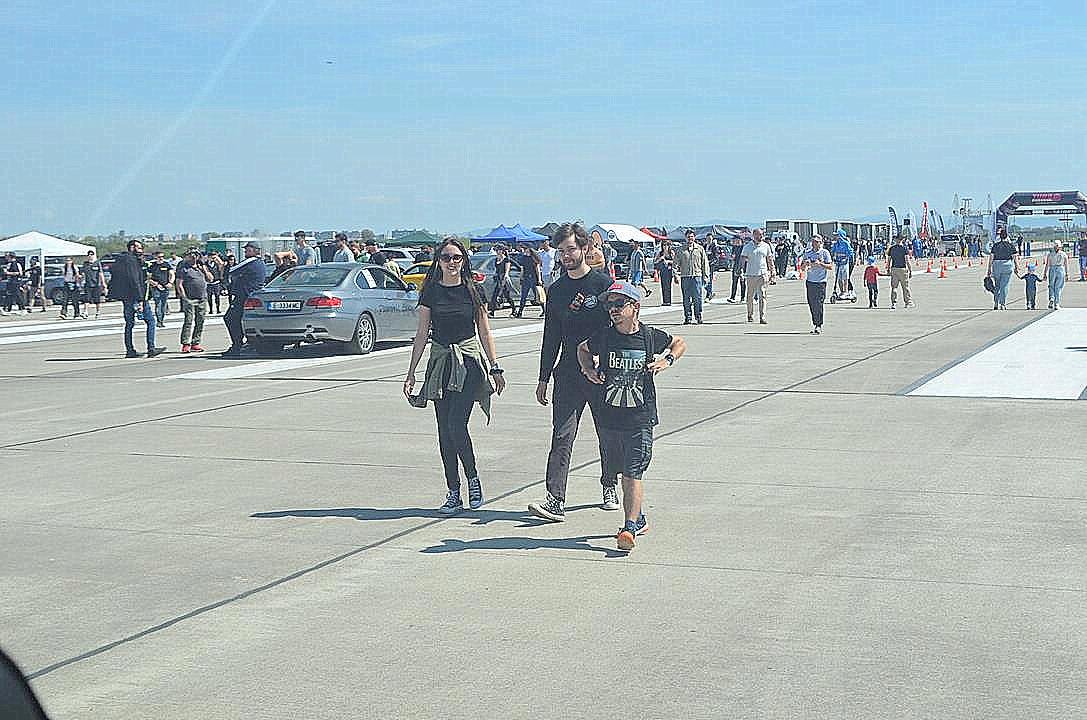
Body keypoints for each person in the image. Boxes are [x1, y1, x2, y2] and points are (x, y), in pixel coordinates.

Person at [579, 280, 687, 552]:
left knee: (632, 473)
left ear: (635, 307)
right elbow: (582, 349)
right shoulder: (604, 336)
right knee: (619, 471)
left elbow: (679, 343)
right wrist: (588, 370)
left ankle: (628, 528)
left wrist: (667, 360)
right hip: (609, 416)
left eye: (618, 304)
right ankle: (638, 518)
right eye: (609, 305)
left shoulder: (649, 336)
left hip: (640, 417)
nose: (613, 309)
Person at [403, 237, 505, 514]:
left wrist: (495, 366)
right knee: (444, 431)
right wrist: (411, 373)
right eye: (446, 257)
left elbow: (484, 331)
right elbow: (422, 333)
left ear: (464, 260)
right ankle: (453, 491)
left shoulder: (473, 290)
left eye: (456, 257)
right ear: (438, 261)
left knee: (456, 424)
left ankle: (473, 479)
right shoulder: (431, 292)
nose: (451, 262)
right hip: (441, 365)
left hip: (468, 363)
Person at [529, 223, 617, 522]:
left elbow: (617, 327)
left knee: (607, 432)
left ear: (584, 248)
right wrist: (543, 377)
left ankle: (609, 484)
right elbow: (551, 336)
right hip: (567, 373)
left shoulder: (603, 285)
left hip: (600, 372)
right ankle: (555, 499)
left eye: (571, 249)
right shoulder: (556, 291)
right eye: (561, 251)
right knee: (562, 435)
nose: (566, 255)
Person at [107, 239, 163, 357]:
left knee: (129, 323)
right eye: (139, 248)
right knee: (150, 321)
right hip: (136, 296)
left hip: (126, 297)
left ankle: (130, 350)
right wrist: (140, 299)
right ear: (132, 248)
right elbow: (135, 280)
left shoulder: (120, 260)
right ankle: (151, 348)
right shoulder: (131, 261)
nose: (141, 250)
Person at [222, 241, 268, 356]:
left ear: (256, 250)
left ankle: (237, 345)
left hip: (244, 296)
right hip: (251, 296)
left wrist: (221, 263)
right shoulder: (260, 262)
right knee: (244, 320)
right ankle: (247, 344)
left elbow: (232, 270)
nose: (245, 251)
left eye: (248, 249)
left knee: (230, 319)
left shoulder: (251, 261)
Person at [175, 248, 213, 352]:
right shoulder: (184, 268)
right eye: (191, 255)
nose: (193, 257)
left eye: (196, 255)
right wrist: (184, 298)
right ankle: (185, 343)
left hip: (202, 298)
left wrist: (204, 269)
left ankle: (195, 342)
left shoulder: (201, 267)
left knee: (200, 321)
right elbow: (179, 284)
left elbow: (211, 279)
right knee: (188, 321)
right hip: (189, 299)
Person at [799, 234, 833, 334]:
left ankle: (819, 324)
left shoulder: (824, 253)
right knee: (812, 303)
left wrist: (820, 264)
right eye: (813, 241)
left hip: (821, 281)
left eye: (817, 242)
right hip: (810, 281)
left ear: (821, 243)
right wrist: (805, 264)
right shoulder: (808, 253)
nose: (814, 243)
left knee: (819, 303)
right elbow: (802, 268)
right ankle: (815, 323)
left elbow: (830, 266)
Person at [676, 229, 710, 324]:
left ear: (694, 237)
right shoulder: (681, 250)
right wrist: (675, 274)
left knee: (697, 298)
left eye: (691, 236)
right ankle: (688, 317)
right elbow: (675, 263)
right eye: (688, 237)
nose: (690, 238)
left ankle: (698, 316)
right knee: (686, 299)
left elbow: (705, 263)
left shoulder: (700, 249)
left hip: (697, 277)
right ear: (685, 238)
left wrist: (706, 276)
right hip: (685, 277)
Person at [741, 228, 775, 324]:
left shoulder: (766, 246)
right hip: (751, 274)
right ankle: (750, 314)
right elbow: (742, 259)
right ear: (754, 235)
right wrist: (741, 271)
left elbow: (769, 259)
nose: (761, 236)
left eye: (762, 234)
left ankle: (762, 316)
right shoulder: (748, 247)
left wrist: (772, 271)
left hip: (762, 274)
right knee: (750, 296)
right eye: (759, 235)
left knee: (762, 295)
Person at [987, 228, 1020, 311]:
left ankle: (995, 303)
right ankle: (1002, 304)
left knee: (997, 285)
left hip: (997, 266)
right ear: (1006, 236)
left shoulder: (995, 246)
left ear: (1000, 236)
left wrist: (989, 269)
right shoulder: (1011, 246)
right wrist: (1017, 267)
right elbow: (1015, 257)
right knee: (1004, 286)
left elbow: (991, 258)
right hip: (1007, 265)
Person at [885, 234, 913, 310]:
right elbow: (907, 260)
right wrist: (910, 270)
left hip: (894, 269)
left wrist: (888, 269)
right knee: (905, 287)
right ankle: (907, 302)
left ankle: (894, 303)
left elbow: (889, 260)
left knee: (894, 287)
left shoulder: (892, 248)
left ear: (895, 240)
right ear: (902, 240)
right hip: (902, 269)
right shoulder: (904, 248)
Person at [487, 244, 516, 317]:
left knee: (507, 297)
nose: (497, 251)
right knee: (494, 296)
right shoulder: (496, 259)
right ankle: (492, 312)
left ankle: (514, 310)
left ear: (502, 251)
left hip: (503, 279)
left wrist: (504, 280)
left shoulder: (506, 259)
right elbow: (496, 270)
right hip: (498, 279)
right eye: (496, 250)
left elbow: (507, 271)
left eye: (498, 250)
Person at [147, 250, 173, 328]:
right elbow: (148, 278)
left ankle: (162, 320)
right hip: (156, 288)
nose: (161, 258)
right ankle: (159, 321)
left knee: (163, 305)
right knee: (158, 304)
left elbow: (172, 274)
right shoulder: (152, 266)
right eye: (159, 257)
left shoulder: (166, 264)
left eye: (162, 257)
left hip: (165, 287)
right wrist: (155, 284)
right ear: (155, 257)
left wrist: (170, 283)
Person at [513, 245, 541, 318]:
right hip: (526, 278)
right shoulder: (523, 258)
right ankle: (520, 312)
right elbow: (522, 269)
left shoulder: (534, 258)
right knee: (523, 296)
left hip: (533, 278)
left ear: (529, 249)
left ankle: (544, 310)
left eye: (525, 248)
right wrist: (521, 277)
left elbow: (537, 270)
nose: (524, 250)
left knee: (538, 295)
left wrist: (539, 279)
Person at [81, 250, 107, 319]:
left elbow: (101, 273)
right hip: (88, 284)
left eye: (91, 254)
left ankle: (98, 312)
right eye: (89, 255)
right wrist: (81, 280)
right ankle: (85, 312)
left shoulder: (97, 263)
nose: (90, 256)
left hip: (97, 284)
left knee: (97, 300)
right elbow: (83, 273)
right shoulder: (85, 264)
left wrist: (103, 283)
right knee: (87, 299)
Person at [830, 229, 854, 300]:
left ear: (840, 236)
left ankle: (845, 292)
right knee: (838, 278)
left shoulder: (846, 243)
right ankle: (841, 291)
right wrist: (833, 257)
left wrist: (846, 257)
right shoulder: (835, 244)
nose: (835, 236)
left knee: (845, 278)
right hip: (837, 263)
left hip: (844, 263)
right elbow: (833, 251)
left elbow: (850, 252)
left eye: (837, 235)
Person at [1044, 241, 1068, 309]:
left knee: (1051, 285)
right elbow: (1066, 264)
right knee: (1058, 287)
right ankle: (1056, 303)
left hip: (1052, 269)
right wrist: (1067, 274)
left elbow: (1047, 264)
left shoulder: (1050, 254)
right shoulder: (1063, 254)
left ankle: (1051, 298)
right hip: (1060, 269)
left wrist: (1045, 273)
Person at [654, 238, 676, 306]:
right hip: (663, 270)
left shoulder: (671, 252)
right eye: (664, 245)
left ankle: (668, 301)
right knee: (663, 285)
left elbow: (675, 262)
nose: (665, 246)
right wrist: (660, 259)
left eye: (667, 245)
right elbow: (655, 262)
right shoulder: (660, 253)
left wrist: (668, 261)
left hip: (669, 270)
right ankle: (664, 301)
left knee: (668, 285)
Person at [726, 234, 746, 303]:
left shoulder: (744, 247)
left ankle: (742, 298)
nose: (735, 241)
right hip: (735, 266)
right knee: (734, 282)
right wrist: (732, 257)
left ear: (740, 240)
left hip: (743, 267)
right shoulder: (734, 247)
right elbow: (733, 257)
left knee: (742, 282)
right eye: (734, 240)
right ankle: (732, 297)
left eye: (737, 240)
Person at [205, 251, 225, 315]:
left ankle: (218, 309)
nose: (213, 258)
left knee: (217, 296)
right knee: (209, 297)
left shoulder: (217, 264)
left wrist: (217, 259)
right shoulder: (205, 264)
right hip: (209, 283)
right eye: (211, 257)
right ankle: (210, 309)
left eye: (214, 257)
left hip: (216, 282)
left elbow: (222, 265)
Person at [703, 233, 718, 299]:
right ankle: (710, 292)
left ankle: (708, 295)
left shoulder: (714, 247)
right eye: (708, 238)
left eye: (710, 239)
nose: (709, 240)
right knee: (703, 280)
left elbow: (716, 257)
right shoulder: (704, 246)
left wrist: (710, 262)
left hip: (710, 266)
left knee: (709, 280)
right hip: (704, 265)